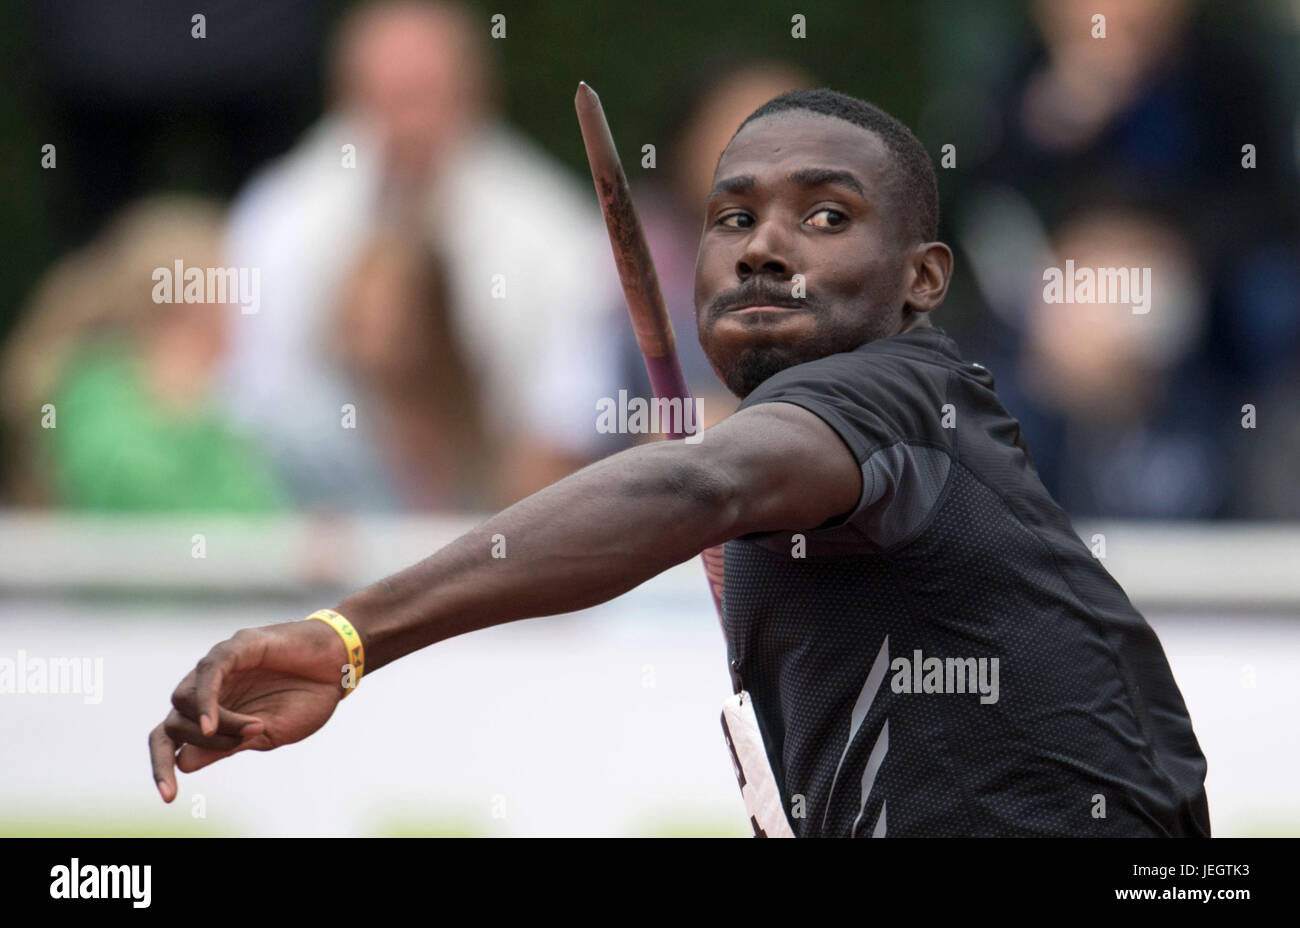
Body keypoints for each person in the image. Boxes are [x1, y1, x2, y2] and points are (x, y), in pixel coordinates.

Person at [149, 89, 1210, 838]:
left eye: (826, 216)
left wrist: (345, 636)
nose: (761, 245)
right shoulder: (813, 457)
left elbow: (689, 483)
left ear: (920, 279)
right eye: (732, 217)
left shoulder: (895, 390)